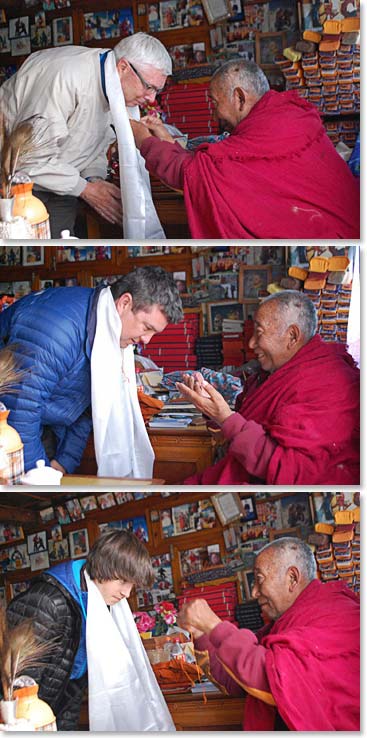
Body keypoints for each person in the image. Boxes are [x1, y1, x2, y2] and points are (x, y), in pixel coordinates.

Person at [130, 59, 360, 238]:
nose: (215, 113)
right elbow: (207, 167)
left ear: (239, 98)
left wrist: (142, 138)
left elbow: (193, 171)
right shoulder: (291, 113)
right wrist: (163, 135)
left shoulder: (263, 133)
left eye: (216, 103)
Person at [0, 266, 183, 475]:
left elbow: (89, 407)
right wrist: (41, 477)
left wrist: (64, 461)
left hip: (43, 429)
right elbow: (19, 410)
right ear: (124, 303)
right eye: (146, 327)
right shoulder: (58, 329)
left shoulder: (108, 328)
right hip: (10, 433)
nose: (146, 340)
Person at [176, 291, 359, 485]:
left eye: (259, 332)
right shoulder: (268, 375)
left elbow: (290, 471)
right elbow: (242, 424)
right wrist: (211, 408)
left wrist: (225, 418)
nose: (251, 343)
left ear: (292, 336)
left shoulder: (329, 383)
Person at [177, 537, 360, 731]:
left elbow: (271, 679)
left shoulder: (336, 615)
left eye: (259, 579)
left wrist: (215, 626)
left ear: (292, 578)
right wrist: (202, 634)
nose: (254, 592)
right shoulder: (283, 625)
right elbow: (237, 682)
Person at [0, 33, 172, 238]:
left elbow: (97, 144)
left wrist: (94, 178)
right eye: (149, 86)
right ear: (123, 67)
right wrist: (87, 190)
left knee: (62, 238)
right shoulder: (66, 76)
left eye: (157, 90)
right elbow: (28, 157)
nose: (151, 98)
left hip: (62, 182)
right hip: (13, 181)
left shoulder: (118, 85)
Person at [6, 529, 155, 730]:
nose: (126, 593)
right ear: (104, 568)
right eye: (122, 582)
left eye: (132, 585)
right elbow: (17, 689)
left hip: (49, 716)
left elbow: (74, 686)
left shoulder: (96, 604)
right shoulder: (47, 603)